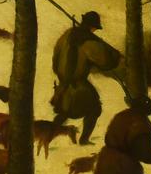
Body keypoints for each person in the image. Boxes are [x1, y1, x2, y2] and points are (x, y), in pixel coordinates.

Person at [51, 10, 122, 144]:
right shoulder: (88, 43)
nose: (95, 31)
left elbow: (56, 59)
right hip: (78, 85)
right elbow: (105, 62)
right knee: (94, 108)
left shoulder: (67, 35)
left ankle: (50, 133)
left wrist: (62, 75)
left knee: (64, 111)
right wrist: (116, 57)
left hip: (63, 84)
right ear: (92, 26)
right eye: (95, 28)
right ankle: (84, 139)